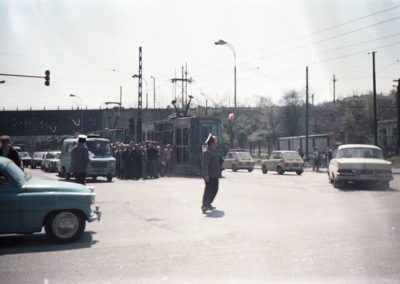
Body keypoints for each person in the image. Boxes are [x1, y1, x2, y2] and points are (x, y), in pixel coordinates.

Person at [201, 134, 222, 214]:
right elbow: (204, 164)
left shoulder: (215, 152)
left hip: (215, 175)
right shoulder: (207, 152)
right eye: (215, 142)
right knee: (208, 190)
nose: (217, 143)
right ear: (212, 143)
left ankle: (208, 203)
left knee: (215, 190)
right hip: (209, 175)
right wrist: (206, 174)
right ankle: (204, 205)